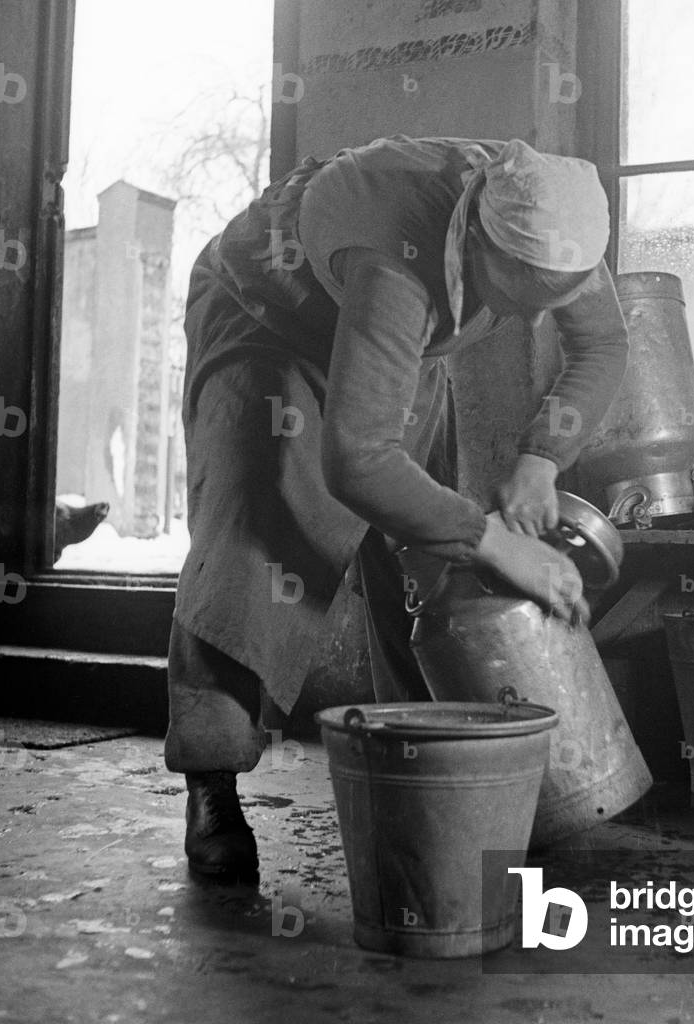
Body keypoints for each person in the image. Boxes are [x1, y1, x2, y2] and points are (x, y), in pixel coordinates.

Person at [165, 135, 630, 880]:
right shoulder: (394, 257)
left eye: (558, 298)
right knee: (254, 538)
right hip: (268, 320)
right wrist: (493, 538)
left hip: (399, 342)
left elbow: (603, 347)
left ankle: (437, 767)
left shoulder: (562, 223)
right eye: (521, 299)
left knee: (430, 557)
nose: (534, 318)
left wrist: (542, 460)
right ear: (480, 242)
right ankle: (212, 781)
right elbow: (356, 461)